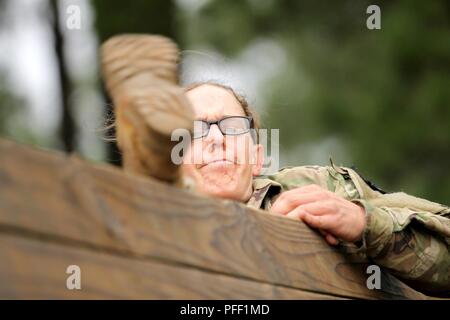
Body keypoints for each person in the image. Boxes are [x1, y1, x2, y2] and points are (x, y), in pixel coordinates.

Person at [100, 34, 450, 296]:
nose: (216, 138)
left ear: (256, 156)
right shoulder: (137, 226)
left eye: (232, 127)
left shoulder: (318, 191)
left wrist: (363, 223)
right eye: (192, 131)